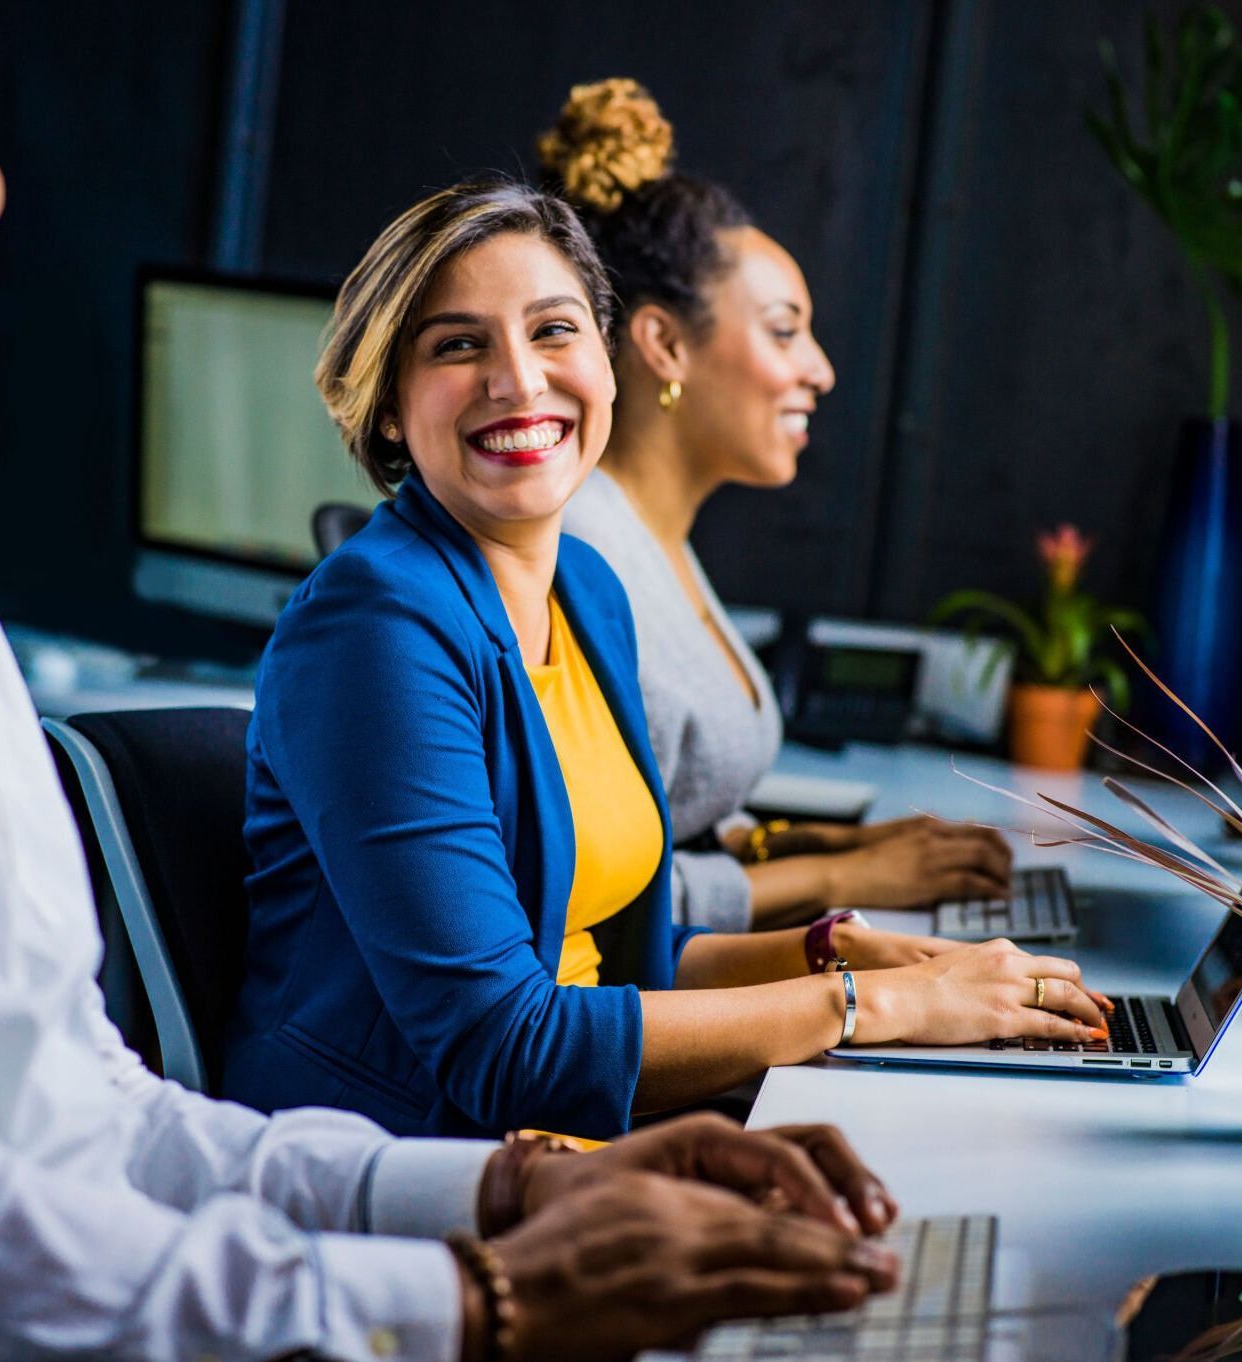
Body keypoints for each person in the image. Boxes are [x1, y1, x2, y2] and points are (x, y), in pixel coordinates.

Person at [0, 2, 905, 1357]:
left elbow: (89, 1113)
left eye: (555, 331)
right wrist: (485, 1292)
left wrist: (524, 1191)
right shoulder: (368, 615)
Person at [228, 176, 1111, 1142]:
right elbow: (502, 1046)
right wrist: (875, 1007)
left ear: (609, 364)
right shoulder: (374, 628)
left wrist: (841, 955)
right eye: (457, 345)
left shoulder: (590, 592)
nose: (520, 380)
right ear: (391, 407)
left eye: (555, 331)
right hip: (410, 1171)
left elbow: (619, 965)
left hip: (578, 1140)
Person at [552, 79, 1017, 934]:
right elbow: (601, 903)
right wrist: (843, 877)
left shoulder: (656, 539)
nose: (820, 369)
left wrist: (824, 846)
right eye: (782, 329)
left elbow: (672, 821)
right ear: (663, 343)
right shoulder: (584, 558)